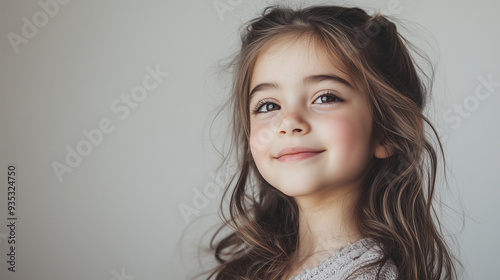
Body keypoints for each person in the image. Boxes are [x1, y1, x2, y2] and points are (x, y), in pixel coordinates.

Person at [203, 4, 460, 280]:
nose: (288, 122)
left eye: (325, 98)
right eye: (268, 105)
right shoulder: (253, 268)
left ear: (388, 132)